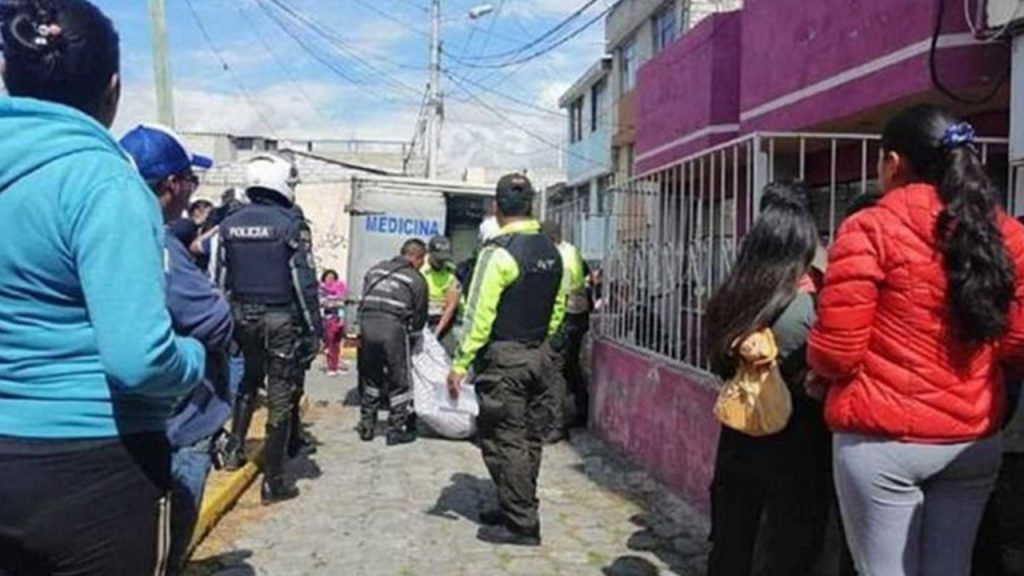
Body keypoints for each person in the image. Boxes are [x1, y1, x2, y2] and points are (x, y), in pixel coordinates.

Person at [0, 1, 207, 573]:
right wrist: (192, 359)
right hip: (93, 465)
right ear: (113, 90)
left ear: (7, 72)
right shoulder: (104, 183)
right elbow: (139, 360)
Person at [809, 105, 1024, 576]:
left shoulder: (870, 228)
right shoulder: (1007, 234)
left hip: (883, 439)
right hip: (972, 437)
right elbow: (1016, 343)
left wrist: (818, 374)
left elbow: (837, 351)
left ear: (893, 163)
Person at [120, 124, 234, 573]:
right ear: (171, 184)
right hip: (179, 418)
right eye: (191, 180)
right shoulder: (157, 243)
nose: (192, 192)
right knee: (166, 543)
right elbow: (214, 319)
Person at [703, 182, 832, 576]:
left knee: (733, 536)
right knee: (790, 542)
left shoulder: (733, 297)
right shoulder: (807, 305)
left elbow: (717, 363)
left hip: (740, 430)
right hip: (799, 436)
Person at [447, 173, 566, 547]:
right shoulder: (553, 250)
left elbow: (478, 315)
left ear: (496, 207)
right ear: (531, 205)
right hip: (540, 354)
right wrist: (542, 342)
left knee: (503, 439)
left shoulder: (498, 252)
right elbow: (559, 305)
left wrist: (460, 362)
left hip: (505, 359)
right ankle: (515, 503)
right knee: (529, 438)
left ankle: (521, 523)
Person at [218, 154, 323, 504]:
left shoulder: (229, 223)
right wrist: (315, 330)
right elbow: (303, 282)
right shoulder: (291, 224)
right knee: (280, 392)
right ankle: (274, 480)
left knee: (248, 380)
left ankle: (234, 451)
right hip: (278, 319)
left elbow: (220, 280)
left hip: (239, 316)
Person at [357, 239, 429, 445]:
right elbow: (419, 316)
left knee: (371, 377)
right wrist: (414, 337)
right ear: (417, 257)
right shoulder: (415, 279)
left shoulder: (375, 270)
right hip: (392, 329)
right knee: (399, 380)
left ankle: (367, 426)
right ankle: (396, 429)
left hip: (366, 327)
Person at [542, 221, 591, 433]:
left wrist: (551, 329)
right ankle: (581, 411)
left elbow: (558, 297)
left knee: (554, 371)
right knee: (570, 366)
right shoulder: (572, 250)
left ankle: (556, 424)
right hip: (579, 317)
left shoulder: (558, 258)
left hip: (564, 319)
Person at [421, 235, 462, 356]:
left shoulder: (452, 272)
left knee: (450, 354)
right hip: (420, 320)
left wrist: (437, 333)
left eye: (444, 259)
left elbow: (451, 306)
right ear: (429, 253)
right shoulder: (420, 268)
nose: (441, 263)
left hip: (442, 321)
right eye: (438, 259)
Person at [320, 269, 349, 376]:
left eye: (332, 277)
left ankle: (335, 366)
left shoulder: (341, 287)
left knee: (336, 344)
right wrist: (336, 301)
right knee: (330, 343)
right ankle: (330, 367)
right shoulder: (321, 289)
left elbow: (343, 302)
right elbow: (323, 303)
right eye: (328, 277)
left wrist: (334, 301)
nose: (330, 279)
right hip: (327, 319)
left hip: (339, 318)